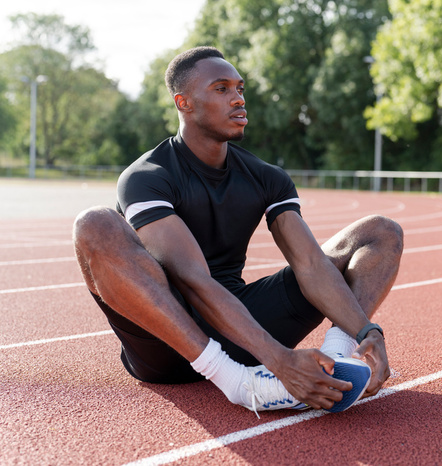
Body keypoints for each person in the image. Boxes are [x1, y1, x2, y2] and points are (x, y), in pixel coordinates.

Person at [72, 46, 403, 416]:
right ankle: (241, 384)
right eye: (221, 89)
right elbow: (194, 281)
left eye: (240, 89)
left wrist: (365, 332)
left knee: (381, 232)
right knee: (95, 224)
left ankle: (338, 362)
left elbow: (310, 263)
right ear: (184, 102)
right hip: (165, 344)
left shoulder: (266, 177)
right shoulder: (146, 177)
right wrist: (280, 359)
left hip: (239, 329)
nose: (238, 99)